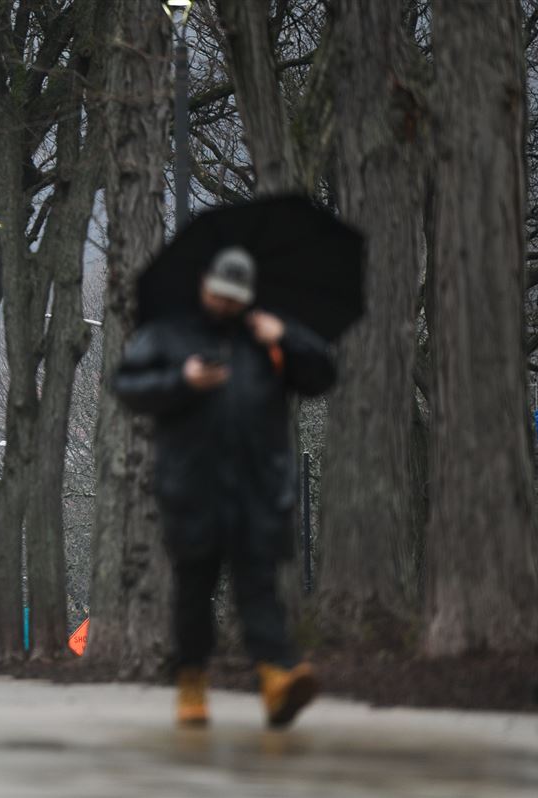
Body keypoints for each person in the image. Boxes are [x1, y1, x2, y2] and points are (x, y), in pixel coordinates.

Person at [113, 246, 336, 728]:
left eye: (235, 297)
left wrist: (288, 339)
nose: (226, 304)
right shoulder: (170, 334)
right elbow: (128, 385)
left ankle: (278, 677)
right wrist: (182, 379)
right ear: (204, 287)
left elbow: (322, 375)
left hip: (258, 488)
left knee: (258, 588)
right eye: (219, 294)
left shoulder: (266, 337)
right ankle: (191, 680)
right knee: (195, 590)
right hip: (193, 488)